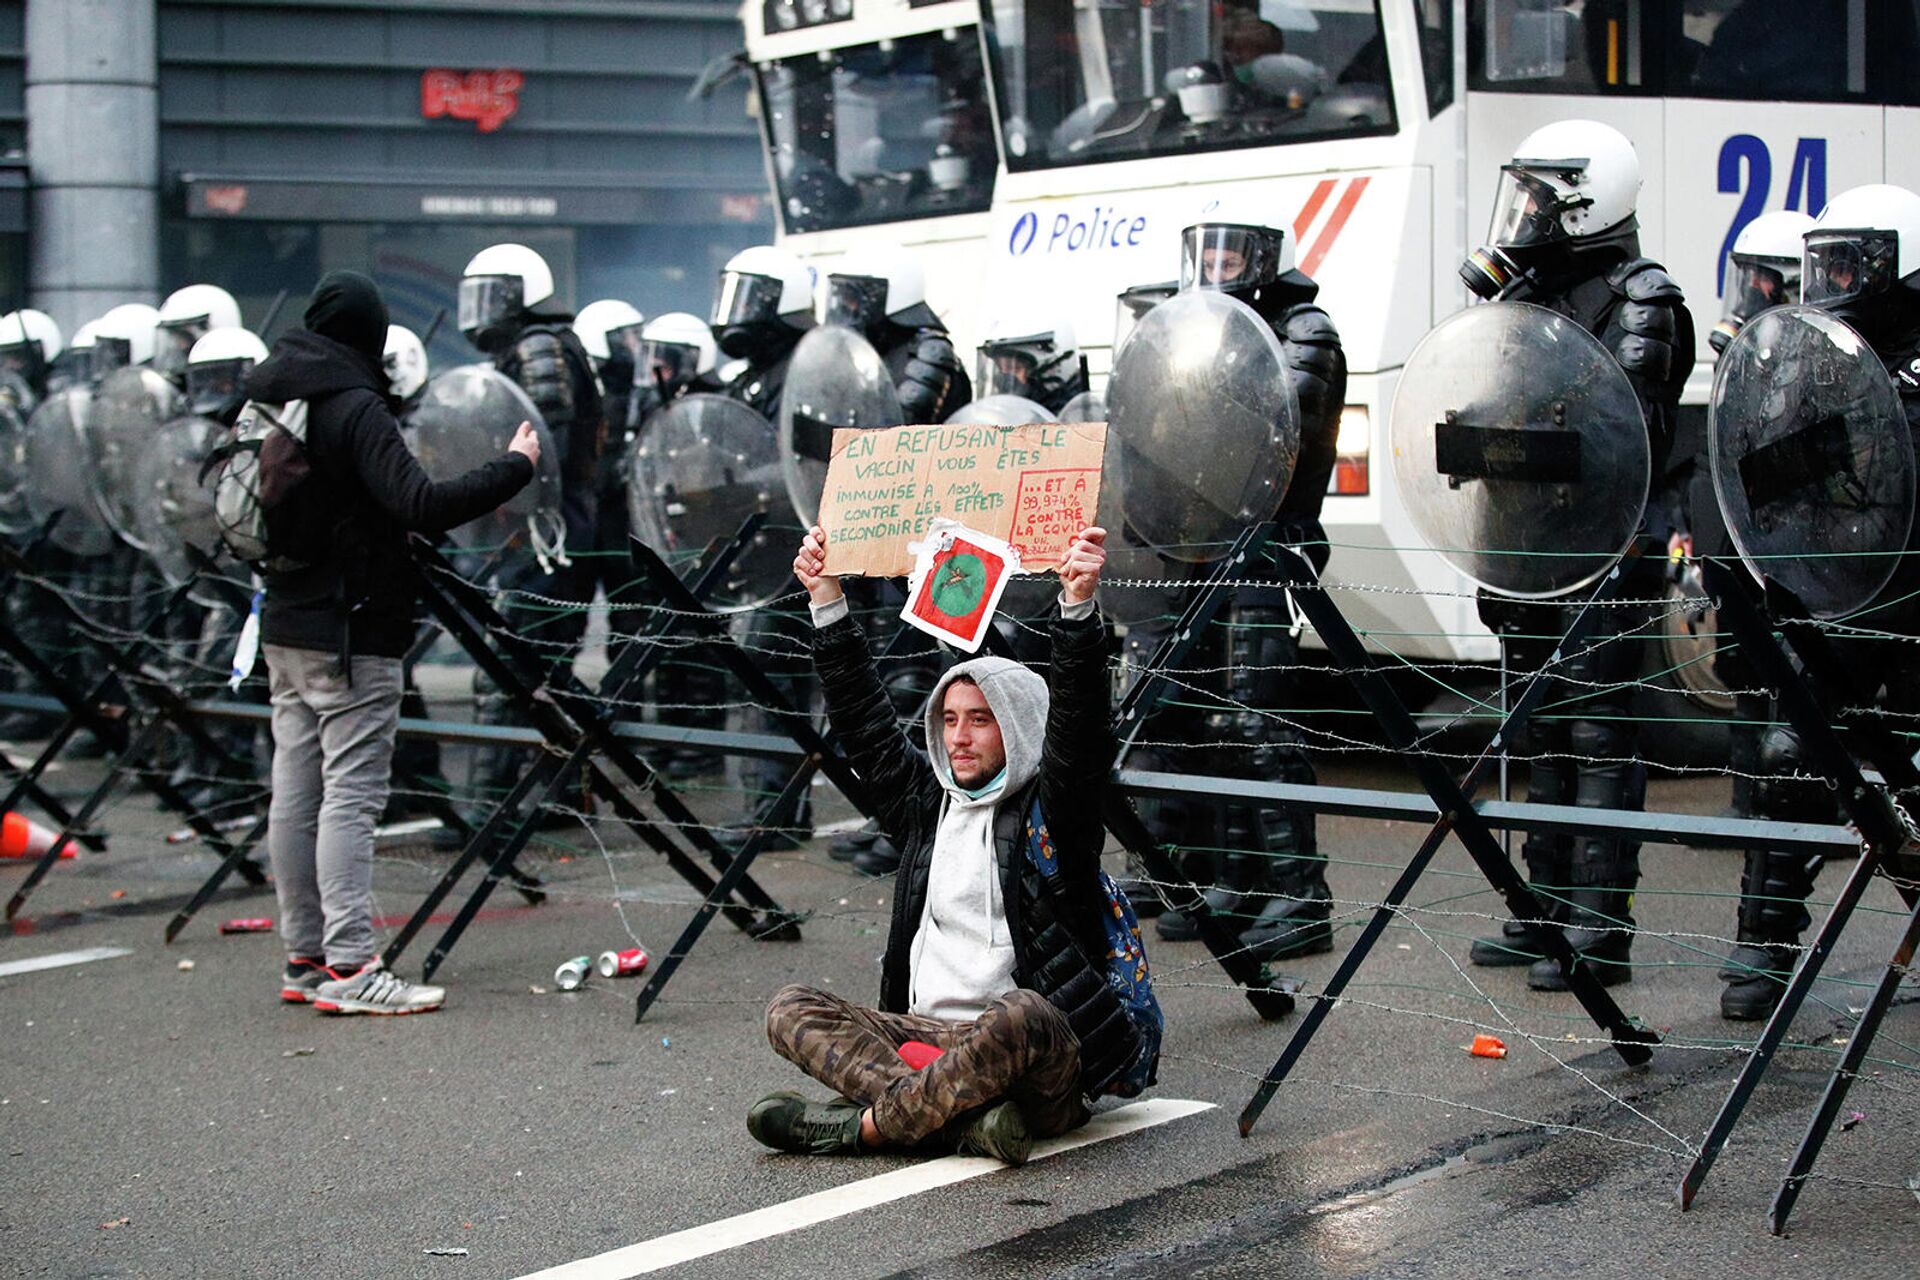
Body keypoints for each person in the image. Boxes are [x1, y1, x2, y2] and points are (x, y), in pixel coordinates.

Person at [748, 521, 1143, 1162]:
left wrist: (1076, 608)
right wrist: (826, 599)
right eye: (949, 720)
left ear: (1016, 729)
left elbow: (1081, 729)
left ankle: (867, 1128)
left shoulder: (1055, 812)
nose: (959, 737)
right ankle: (962, 1123)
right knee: (791, 1009)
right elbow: (867, 725)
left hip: (1029, 1055)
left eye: (980, 721)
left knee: (1023, 1013)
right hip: (926, 1036)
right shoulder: (926, 805)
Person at [250, 270, 538, 1015]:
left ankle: (304, 955)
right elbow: (421, 503)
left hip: (283, 622)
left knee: (296, 794)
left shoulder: (272, 397)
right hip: (353, 630)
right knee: (350, 797)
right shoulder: (354, 404)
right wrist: (516, 466)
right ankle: (352, 966)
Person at [1463, 120, 1694, 990]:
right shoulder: (1526, 294)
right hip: (1527, 542)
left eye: (1539, 195)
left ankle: (1600, 928)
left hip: (1603, 547)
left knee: (1599, 733)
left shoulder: (1643, 300)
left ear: (1586, 201)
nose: (1523, 211)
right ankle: (1542, 911)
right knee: (1539, 727)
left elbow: (1615, 430)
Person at [1715, 185, 1920, 1019]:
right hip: (1826, 587)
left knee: (1912, 776)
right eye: (1823, 258)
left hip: (1914, 599)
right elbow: (1763, 474)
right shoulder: (1807, 360)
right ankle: (1760, 952)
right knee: (1785, 756)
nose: (1832, 276)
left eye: (1851, 260)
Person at [1149, 214, 1344, 963]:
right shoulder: (1201, 327)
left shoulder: (1306, 329)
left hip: (1268, 545)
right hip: (1204, 543)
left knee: (1264, 724)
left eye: (1233, 251)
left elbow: (1271, 426)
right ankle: (1240, 878)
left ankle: (1302, 896)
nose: (1219, 265)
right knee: (1219, 724)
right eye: (1208, 251)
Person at [458, 243, 605, 809]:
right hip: (548, 524)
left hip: (550, 526)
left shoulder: (540, 346)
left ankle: (490, 802)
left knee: (517, 660)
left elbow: (550, 443)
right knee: (540, 662)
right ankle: (566, 790)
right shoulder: (531, 346)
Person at [822, 245, 971, 424]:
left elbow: (896, 430)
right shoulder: (857, 351)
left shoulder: (929, 354)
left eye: (853, 297)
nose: (848, 306)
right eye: (844, 297)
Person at [973, 312, 1089, 415]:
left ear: (1053, 368)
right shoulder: (1007, 419)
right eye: (998, 369)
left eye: (1014, 368)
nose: (1003, 380)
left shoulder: (1079, 419)